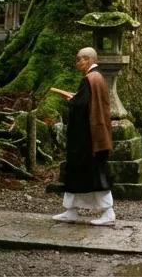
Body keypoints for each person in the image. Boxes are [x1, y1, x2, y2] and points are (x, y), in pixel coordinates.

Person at [52, 46, 114, 225]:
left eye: (79, 59)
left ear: (88, 59)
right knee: (75, 173)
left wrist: (73, 101)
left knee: (95, 174)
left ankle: (108, 212)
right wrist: (77, 98)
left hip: (88, 137)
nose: (77, 62)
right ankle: (71, 211)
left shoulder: (90, 79)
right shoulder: (97, 78)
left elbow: (81, 106)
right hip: (92, 133)